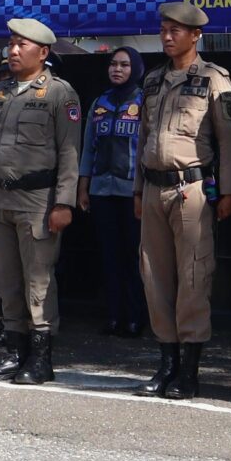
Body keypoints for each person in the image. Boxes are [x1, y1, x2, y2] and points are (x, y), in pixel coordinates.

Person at [133, 0, 231, 399]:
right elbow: (143, 139)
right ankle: (167, 363)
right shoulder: (153, 80)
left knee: (193, 277)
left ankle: (190, 371)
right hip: (154, 188)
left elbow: (229, 140)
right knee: (155, 277)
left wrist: (229, 191)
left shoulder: (214, 79)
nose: (167, 36)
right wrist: (138, 190)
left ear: (196, 35)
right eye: (163, 29)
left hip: (191, 189)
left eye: (175, 30)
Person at [0, 17, 82, 385]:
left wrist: (64, 203)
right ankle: (14, 351)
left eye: (23, 45)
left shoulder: (59, 93)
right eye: (12, 43)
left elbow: (70, 153)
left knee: (38, 282)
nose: (14, 50)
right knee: (6, 281)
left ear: (44, 51)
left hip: (39, 200)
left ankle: (41, 358)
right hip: (0, 198)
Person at [83, 46, 149, 338]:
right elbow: (87, 148)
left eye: (124, 65)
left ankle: (135, 317)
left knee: (134, 257)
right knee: (109, 256)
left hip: (132, 192)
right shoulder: (100, 102)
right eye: (113, 64)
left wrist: (143, 190)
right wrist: (83, 187)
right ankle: (113, 315)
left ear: (135, 68)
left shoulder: (145, 101)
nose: (117, 69)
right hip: (101, 190)